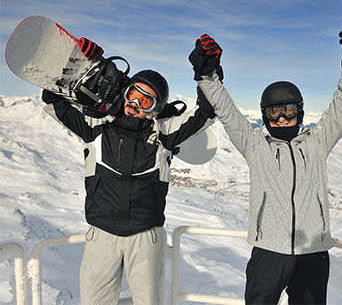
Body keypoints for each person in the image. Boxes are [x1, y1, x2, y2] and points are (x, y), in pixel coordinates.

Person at [188, 25, 342, 304]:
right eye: (275, 111)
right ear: (265, 115)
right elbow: (226, 110)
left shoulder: (317, 144)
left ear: (300, 112)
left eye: (288, 110)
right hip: (268, 252)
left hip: (313, 252)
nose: (282, 117)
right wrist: (207, 75)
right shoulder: (255, 146)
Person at [42, 38, 216, 304]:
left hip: (146, 237)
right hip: (101, 235)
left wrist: (207, 71)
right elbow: (54, 101)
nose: (136, 103)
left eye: (146, 100)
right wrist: (76, 62)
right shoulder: (95, 126)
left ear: (156, 109)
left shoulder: (164, 135)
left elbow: (207, 112)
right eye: (133, 94)